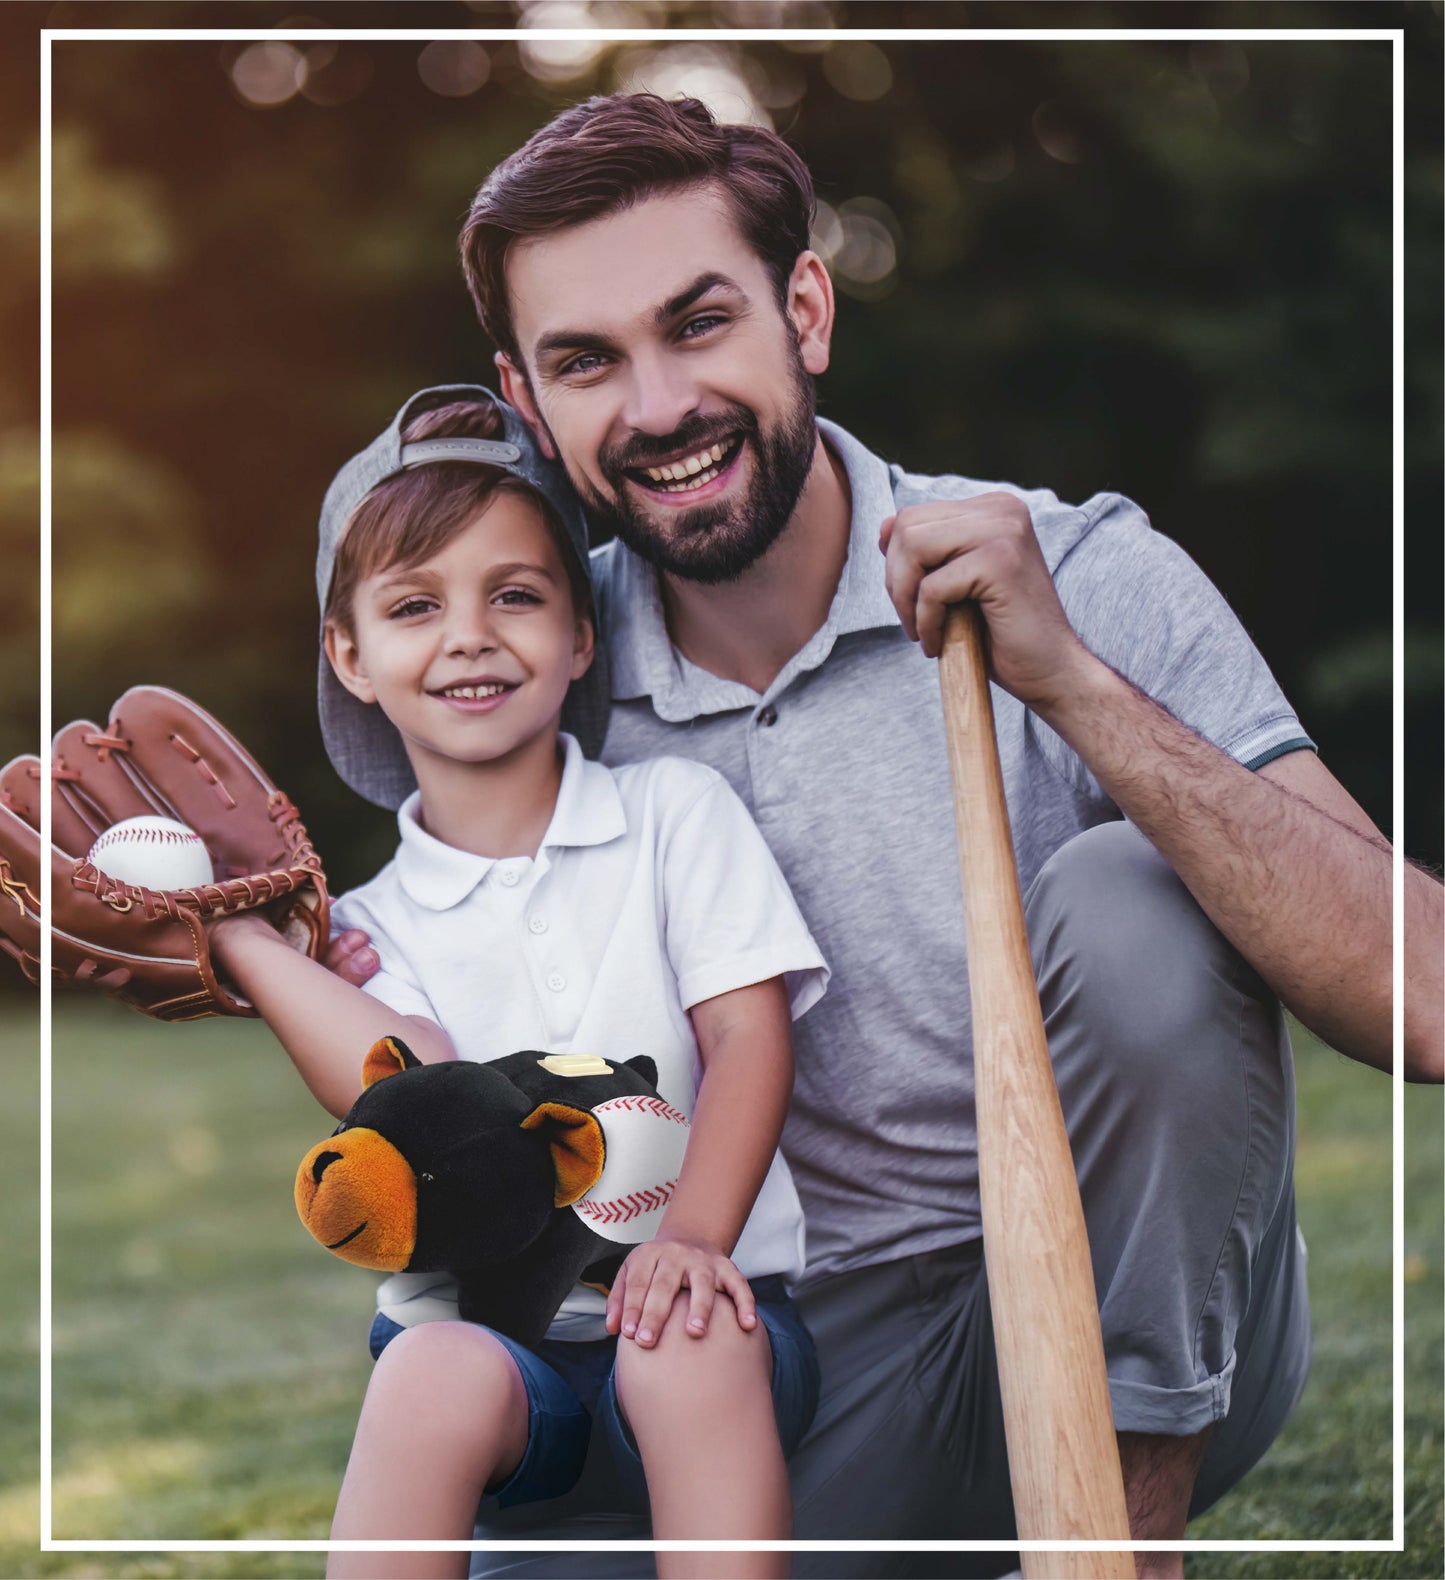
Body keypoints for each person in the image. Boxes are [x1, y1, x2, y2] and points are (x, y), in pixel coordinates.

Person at [328, 95, 1444, 1579]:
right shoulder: (535, 656)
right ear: (527, 401)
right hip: (740, 1356)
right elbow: (372, 895)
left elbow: (1420, 996)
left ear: (805, 308)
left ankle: (1113, 1559)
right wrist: (203, 928)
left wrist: (1074, 684)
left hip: (1104, 1320)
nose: (656, 406)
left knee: (1132, 899)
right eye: (587, 361)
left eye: (699, 322)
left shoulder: (1077, 570)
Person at [207, 386, 829, 1580]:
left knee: (682, 1334)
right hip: (509, 1382)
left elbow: (751, 1042)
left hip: (721, 1335)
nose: (468, 635)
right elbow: (436, 1104)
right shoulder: (366, 933)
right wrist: (247, 943)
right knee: (430, 1366)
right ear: (350, 652)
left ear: (581, 632)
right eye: (411, 605)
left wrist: (690, 1239)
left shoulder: (671, 816)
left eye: (515, 594)